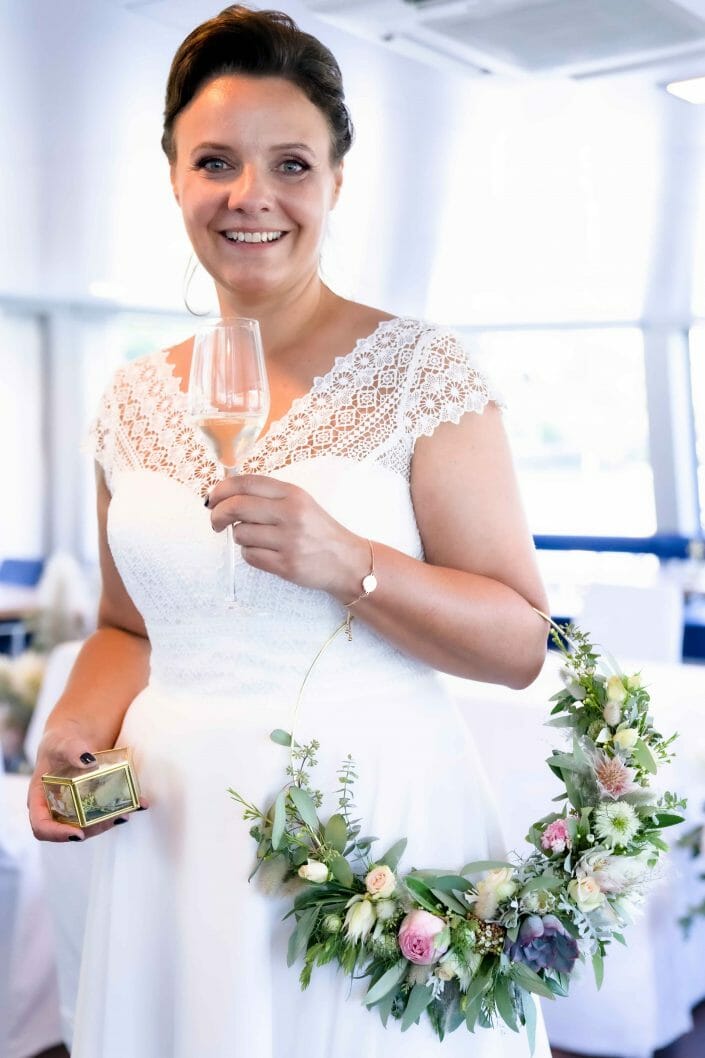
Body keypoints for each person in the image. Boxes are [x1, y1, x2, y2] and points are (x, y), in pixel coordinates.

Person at [28, 6, 552, 1056]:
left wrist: (351, 563)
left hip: (372, 830)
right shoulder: (130, 398)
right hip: (172, 833)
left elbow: (519, 641)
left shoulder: (420, 372)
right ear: (174, 175)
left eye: (291, 163)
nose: (250, 195)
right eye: (214, 160)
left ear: (336, 182)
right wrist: (68, 734)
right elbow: (130, 631)